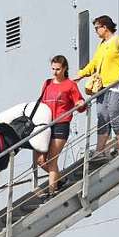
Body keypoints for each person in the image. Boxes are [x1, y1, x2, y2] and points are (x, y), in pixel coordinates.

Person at [78, 16, 119, 157]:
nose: (96, 31)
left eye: (97, 27)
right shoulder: (102, 45)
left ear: (105, 27)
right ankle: (100, 151)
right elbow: (94, 63)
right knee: (102, 116)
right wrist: (81, 74)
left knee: (115, 115)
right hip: (103, 86)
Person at [37, 56, 86, 199]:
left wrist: (80, 104)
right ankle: (59, 179)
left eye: (58, 69)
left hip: (61, 123)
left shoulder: (70, 85)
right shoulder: (47, 84)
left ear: (64, 68)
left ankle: (53, 191)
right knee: (40, 160)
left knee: (52, 159)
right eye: (53, 69)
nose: (55, 72)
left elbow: (80, 103)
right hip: (46, 124)